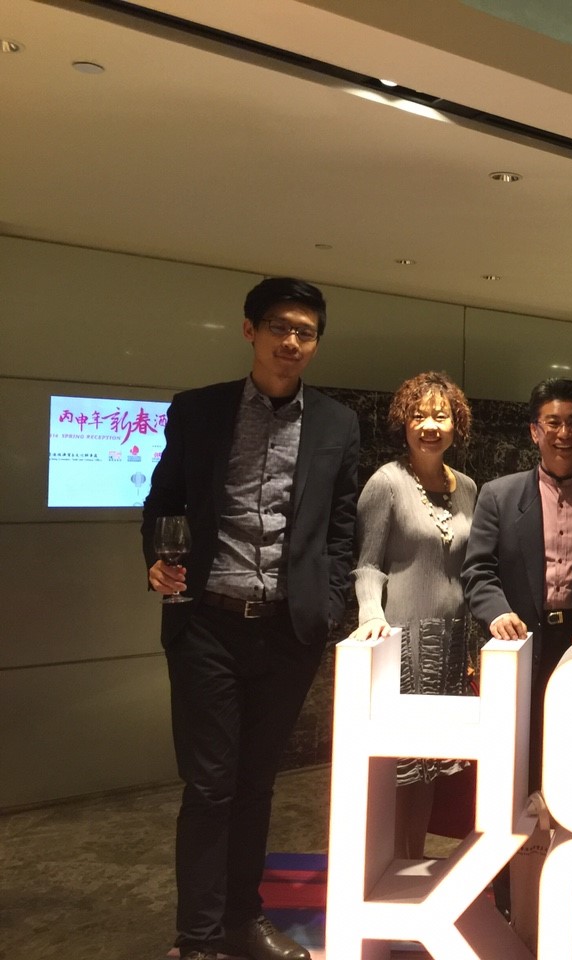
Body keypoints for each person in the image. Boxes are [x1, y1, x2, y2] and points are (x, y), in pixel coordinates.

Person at [142, 278, 360, 960]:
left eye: (305, 332)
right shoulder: (200, 410)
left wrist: (328, 605)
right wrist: (156, 559)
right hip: (207, 624)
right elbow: (163, 500)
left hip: (287, 631)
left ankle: (243, 920)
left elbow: (341, 527)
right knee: (210, 786)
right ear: (250, 331)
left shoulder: (337, 424)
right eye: (279, 328)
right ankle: (199, 937)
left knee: (257, 785)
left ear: (316, 342)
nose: (291, 341)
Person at [460, 377, 572, 931]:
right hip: (519, 647)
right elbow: (478, 571)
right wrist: (496, 612)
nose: (564, 433)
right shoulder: (498, 494)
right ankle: (508, 895)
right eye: (553, 422)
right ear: (535, 431)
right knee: (514, 773)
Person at [348, 372, 477, 860]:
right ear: (404, 422)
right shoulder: (386, 483)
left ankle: (413, 859)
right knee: (398, 765)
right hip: (401, 643)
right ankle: (384, 863)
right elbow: (367, 563)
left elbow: (471, 569)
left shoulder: (468, 488)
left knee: (429, 765)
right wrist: (369, 613)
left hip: (450, 644)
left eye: (440, 416)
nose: (429, 426)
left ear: (456, 424)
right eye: (419, 415)